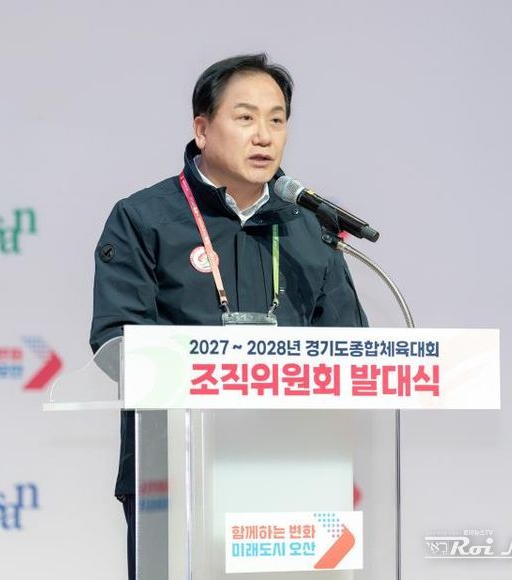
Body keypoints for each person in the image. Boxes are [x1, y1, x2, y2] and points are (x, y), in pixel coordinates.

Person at [89, 53, 368, 580]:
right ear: (202, 129)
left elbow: (350, 348)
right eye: (245, 118)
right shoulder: (145, 219)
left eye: (277, 120)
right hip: (176, 471)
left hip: (297, 472)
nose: (264, 136)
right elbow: (116, 343)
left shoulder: (311, 227)